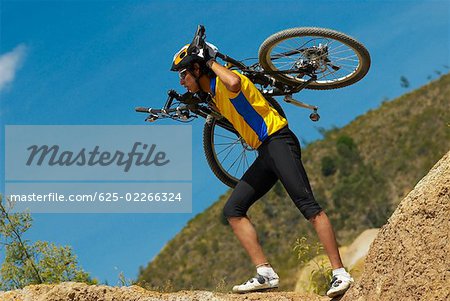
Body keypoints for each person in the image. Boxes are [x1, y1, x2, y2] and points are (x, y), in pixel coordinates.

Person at [170, 40, 354, 298]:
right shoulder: (212, 92)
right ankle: (265, 273)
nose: (181, 80)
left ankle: (340, 272)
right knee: (233, 210)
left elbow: (234, 83)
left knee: (309, 207)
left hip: (278, 141)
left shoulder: (227, 81)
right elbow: (204, 102)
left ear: (198, 69)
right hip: (264, 154)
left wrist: (209, 59)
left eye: (183, 74)